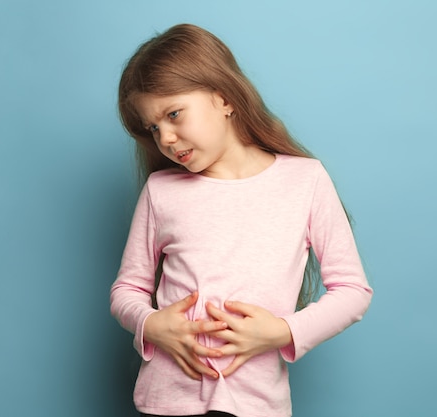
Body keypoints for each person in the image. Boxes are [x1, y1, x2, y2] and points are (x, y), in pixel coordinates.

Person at [110, 23, 373, 417]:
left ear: (224, 99)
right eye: (153, 127)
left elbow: (353, 290)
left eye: (174, 114)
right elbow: (127, 289)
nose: (164, 137)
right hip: (167, 401)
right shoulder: (161, 190)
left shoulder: (305, 180)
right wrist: (151, 325)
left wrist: (284, 332)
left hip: (257, 403)